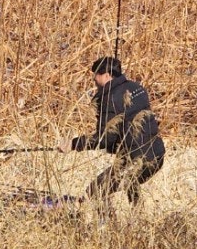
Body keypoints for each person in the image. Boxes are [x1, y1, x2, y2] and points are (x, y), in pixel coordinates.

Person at [67, 56, 165, 207]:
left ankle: (105, 224)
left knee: (95, 190)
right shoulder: (137, 88)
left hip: (135, 160)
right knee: (130, 181)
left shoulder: (110, 98)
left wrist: (73, 144)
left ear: (106, 74)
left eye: (96, 75)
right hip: (157, 155)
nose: (94, 79)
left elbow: (105, 138)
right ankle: (137, 218)